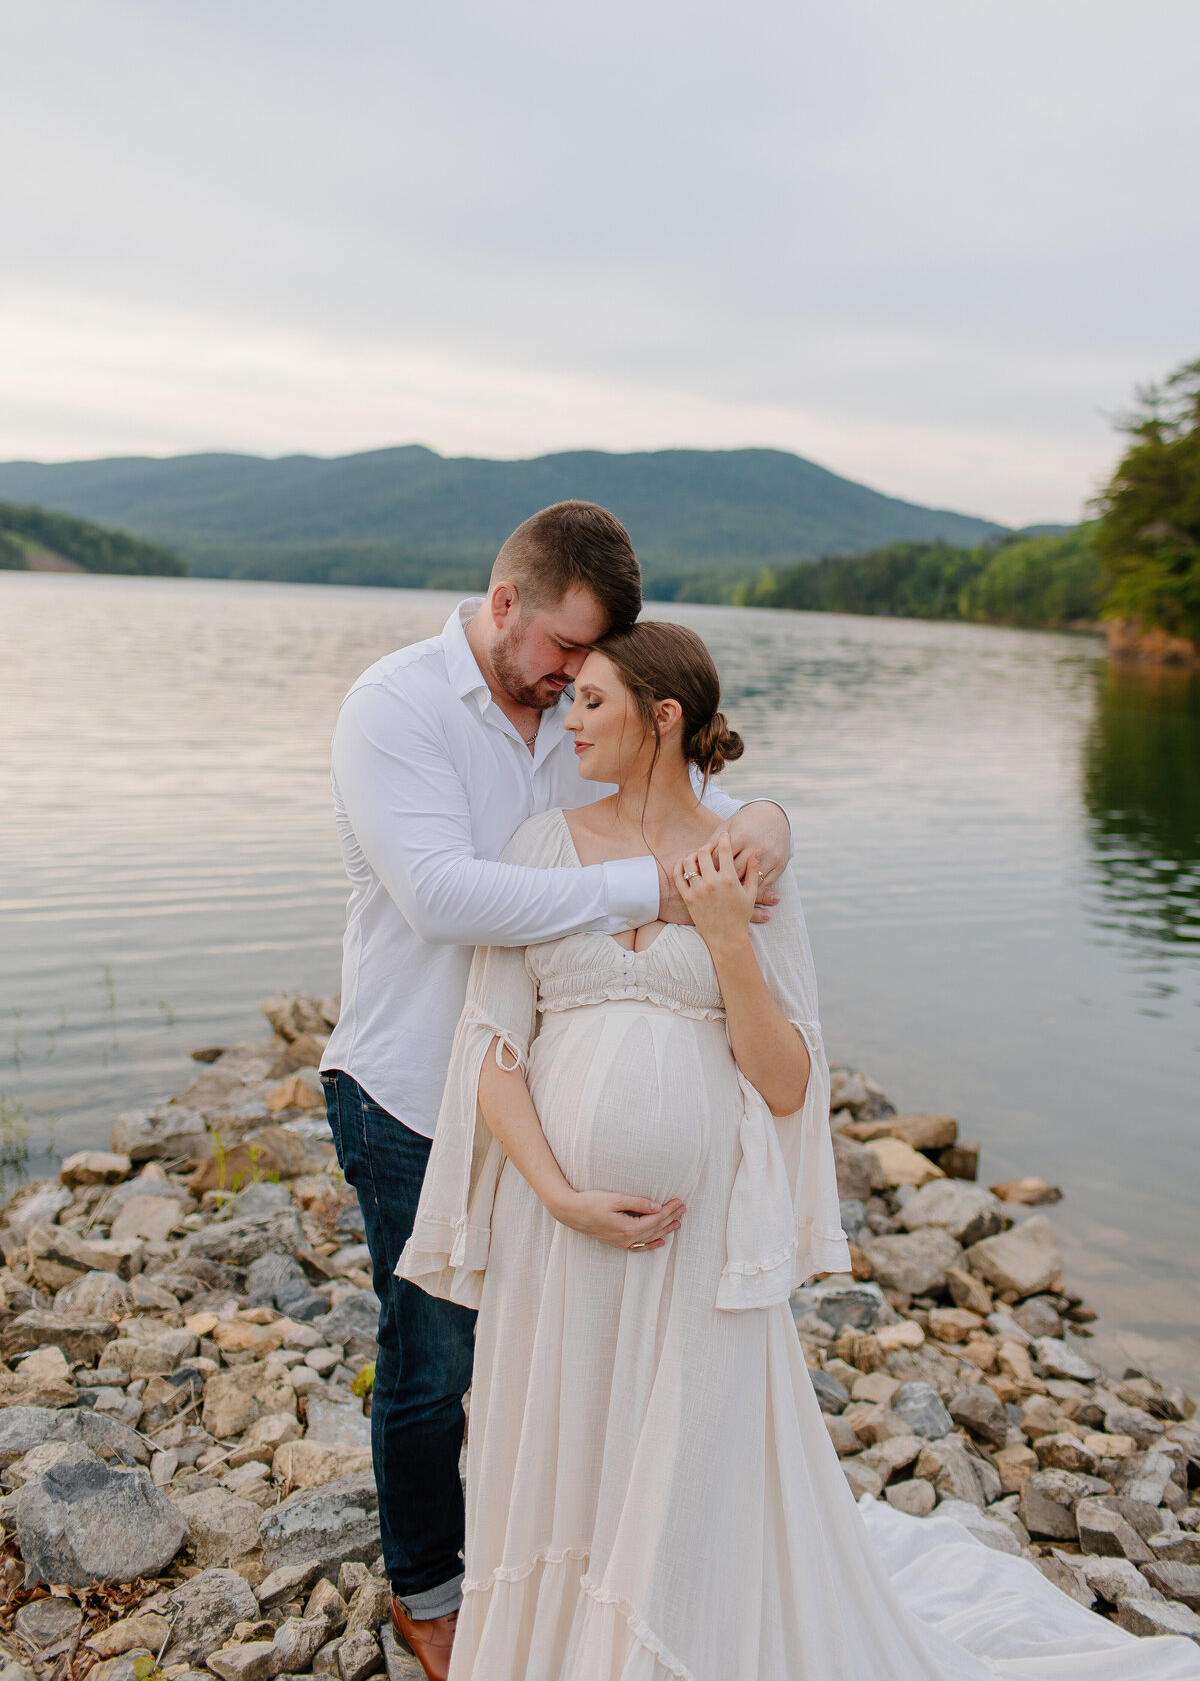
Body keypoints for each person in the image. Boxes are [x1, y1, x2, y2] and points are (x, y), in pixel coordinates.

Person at [400, 620, 1200, 1680]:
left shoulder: (748, 861)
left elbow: (784, 1084)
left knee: (684, 1467)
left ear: (663, 715)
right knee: (558, 1446)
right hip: (557, 1229)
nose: (568, 717)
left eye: (592, 700)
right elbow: (493, 1052)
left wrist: (728, 934)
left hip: (700, 1243)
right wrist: (555, 1193)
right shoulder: (542, 846)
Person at [319, 502, 791, 1681]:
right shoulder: (398, 709)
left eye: (595, 666)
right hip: (417, 1088)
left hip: (531, 1094)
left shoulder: (567, 716)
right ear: (504, 606)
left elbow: (687, 800)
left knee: (542, 1359)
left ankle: (569, 1579)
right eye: (562, 653)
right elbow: (446, 897)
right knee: (431, 1362)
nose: (574, 681)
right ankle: (431, 1588)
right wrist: (652, 893)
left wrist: (768, 824)